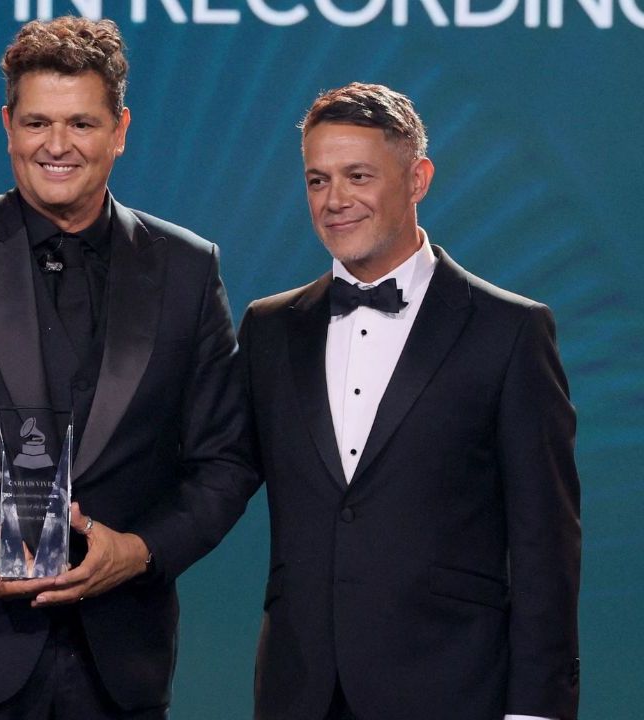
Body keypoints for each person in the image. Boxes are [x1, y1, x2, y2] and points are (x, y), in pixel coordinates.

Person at [0, 17, 248, 720]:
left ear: (120, 129)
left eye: (82, 123)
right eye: (37, 122)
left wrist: (141, 550)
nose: (57, 145)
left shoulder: (188, 269)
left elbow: (226, 460)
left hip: (121, 665)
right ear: (7, 125)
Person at [235, 82, 580, 720]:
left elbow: (545, 543)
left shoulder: (509, 331)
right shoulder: (268, 329)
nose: (335, 200)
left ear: (417, 178)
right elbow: (219, 476)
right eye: (317, 180)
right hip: (300, 693)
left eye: (358, 175)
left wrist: (537, 710)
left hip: (454, 692)